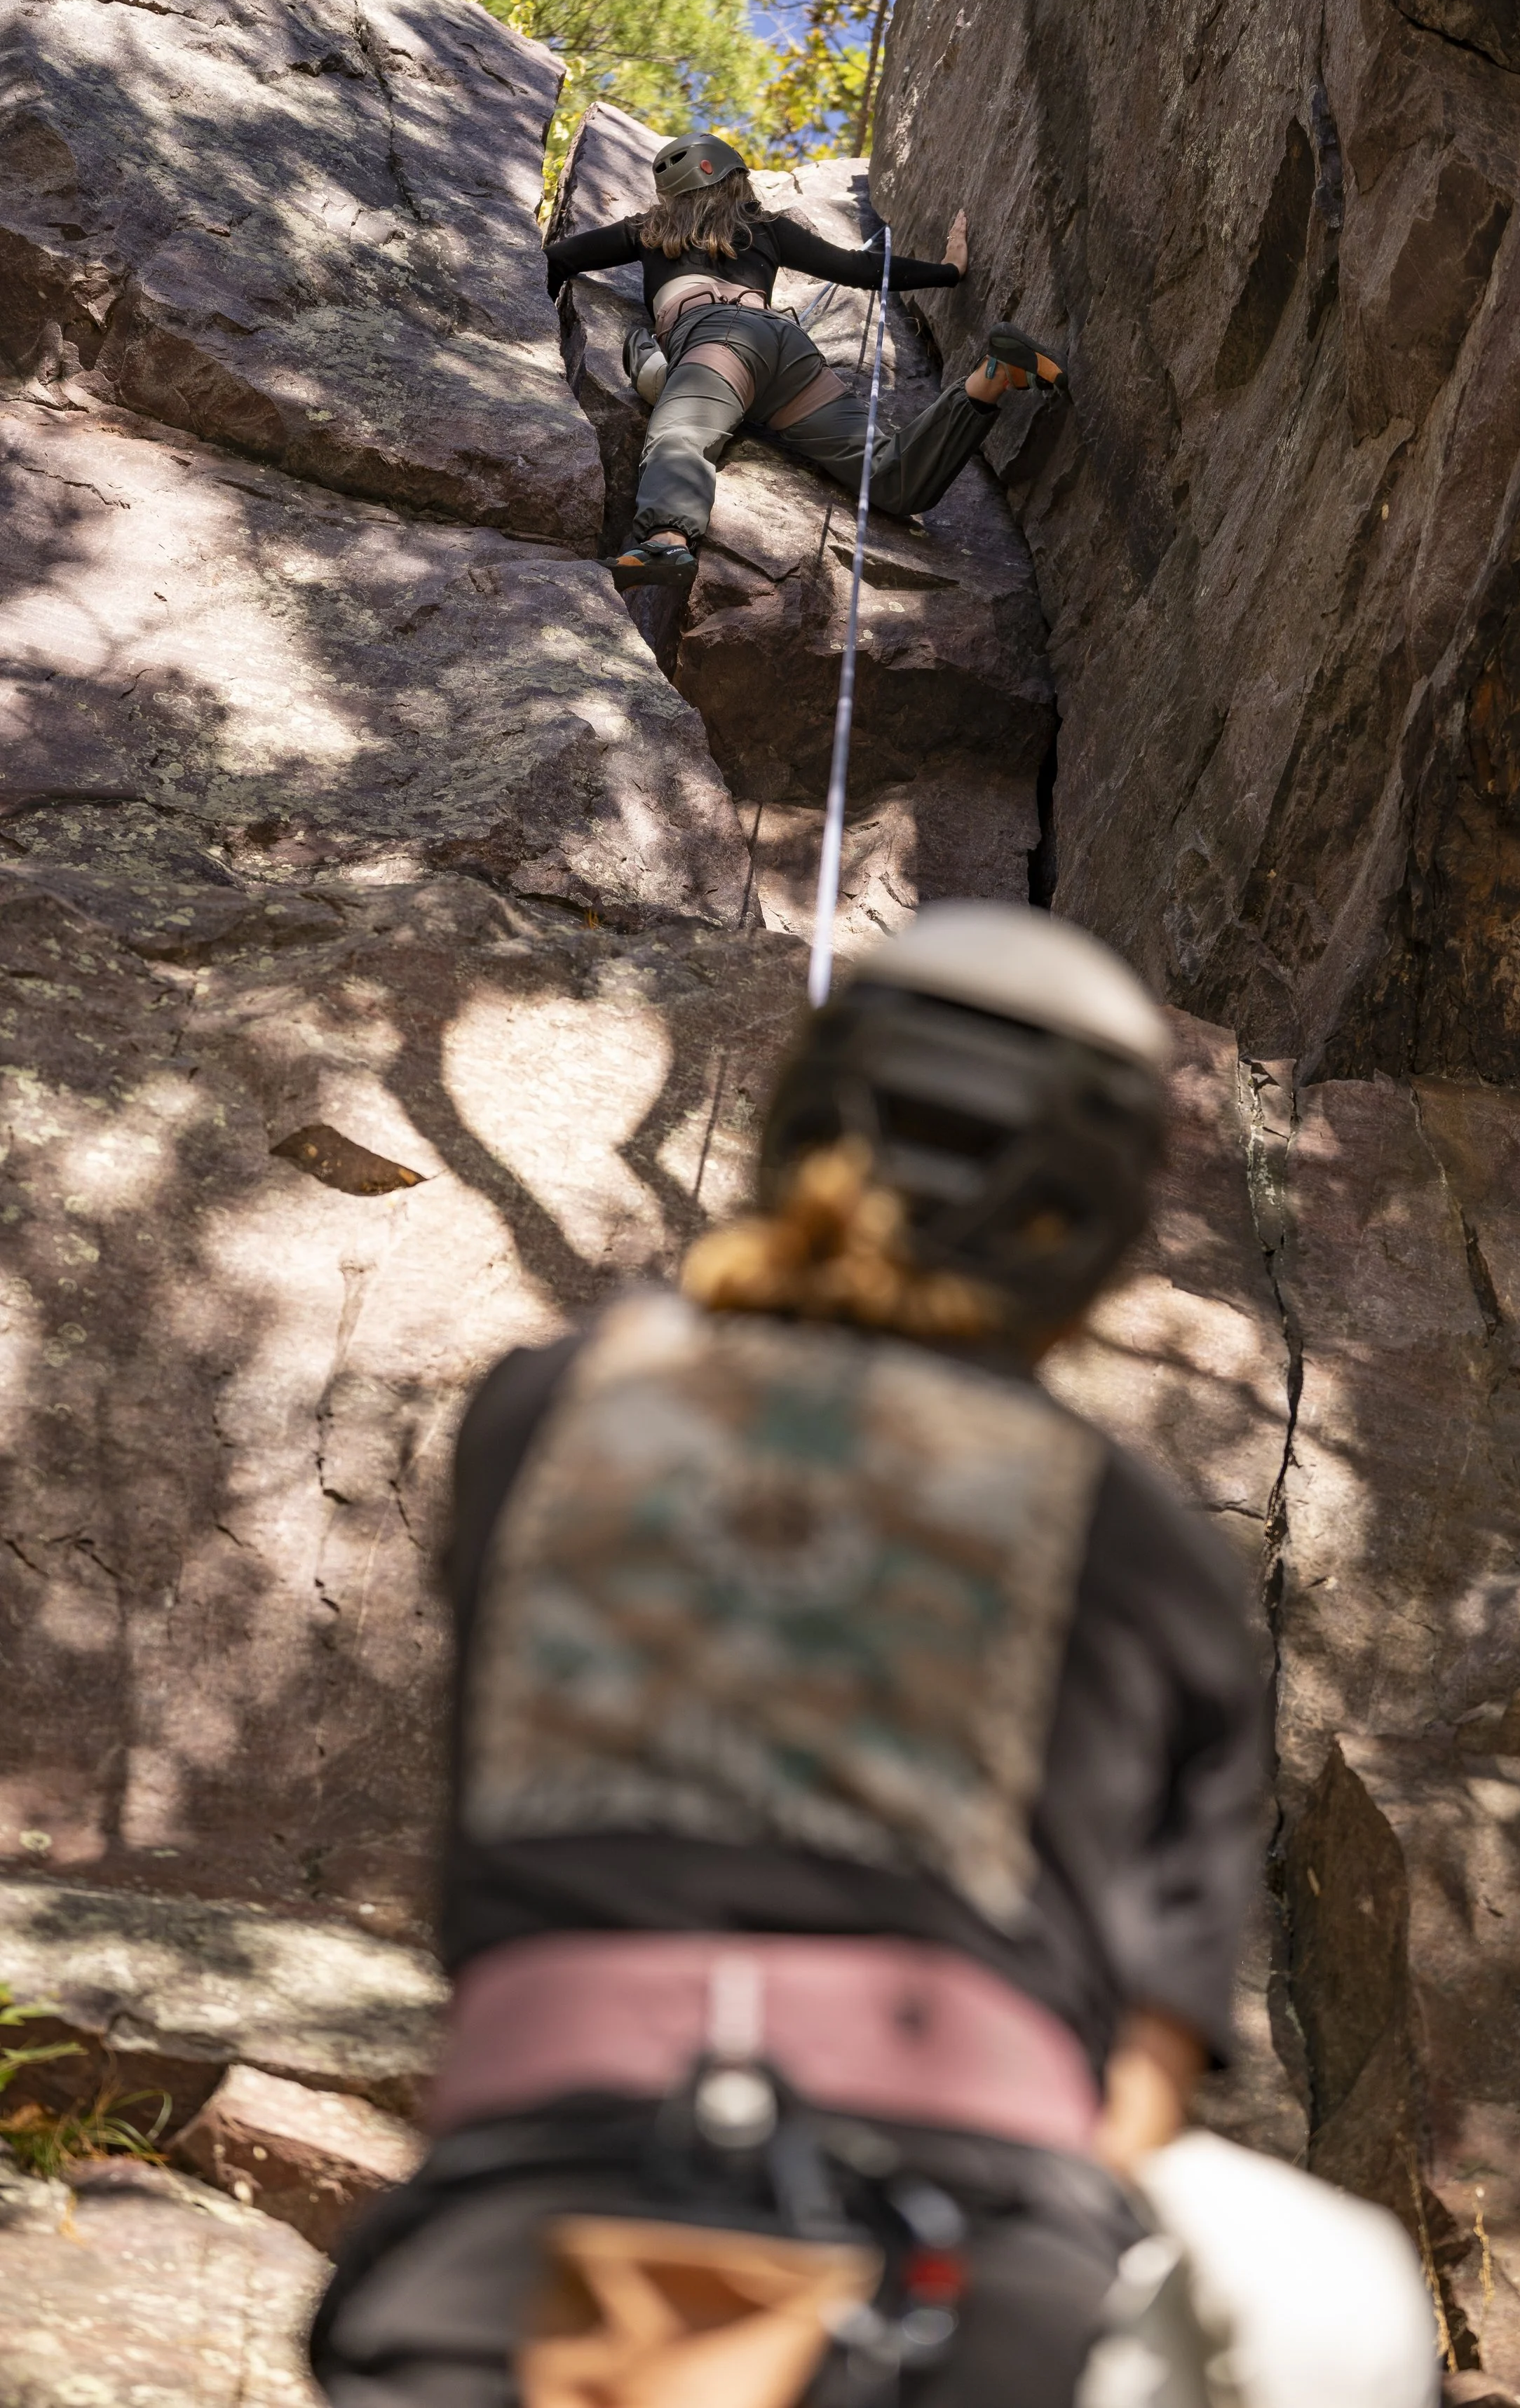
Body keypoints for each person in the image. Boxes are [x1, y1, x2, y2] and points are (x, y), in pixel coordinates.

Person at [308, 904, 1441, 2408]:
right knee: (1340, 2301)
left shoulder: (537, 1419)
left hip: (501, 2271)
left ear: (800, 1126)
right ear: (1089, 1231)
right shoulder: (1149, 1553)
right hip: (965, 2304)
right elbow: (1131, 2105)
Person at [544, 130, 1068, 595]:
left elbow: (560, 260)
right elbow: (859, 268)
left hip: (716, 342)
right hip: (787, 352)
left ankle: (666, 541)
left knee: (681, 433)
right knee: (892, 479)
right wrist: (949, 271)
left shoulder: (648, 230)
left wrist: (536, 335)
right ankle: (992, 378)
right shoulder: (766, 228)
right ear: (734, 179)